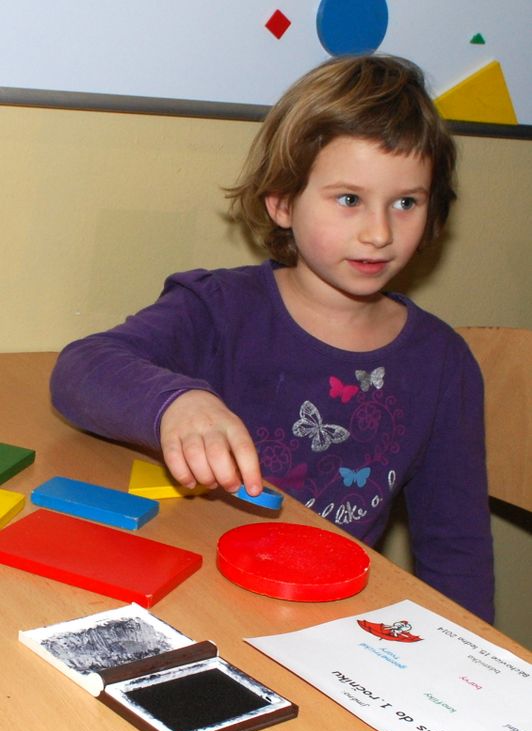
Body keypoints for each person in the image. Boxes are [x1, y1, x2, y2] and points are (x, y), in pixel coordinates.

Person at [50, 55, 494, 622]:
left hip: (327, 625)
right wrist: (177, 404)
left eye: (406, 202)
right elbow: (81, 368)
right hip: (192, 603)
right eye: (349, 199)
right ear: (282, 202)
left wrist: (465, 654)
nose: (379, 232)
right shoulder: (219, 308)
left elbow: (457, 553)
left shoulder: (442, 363)